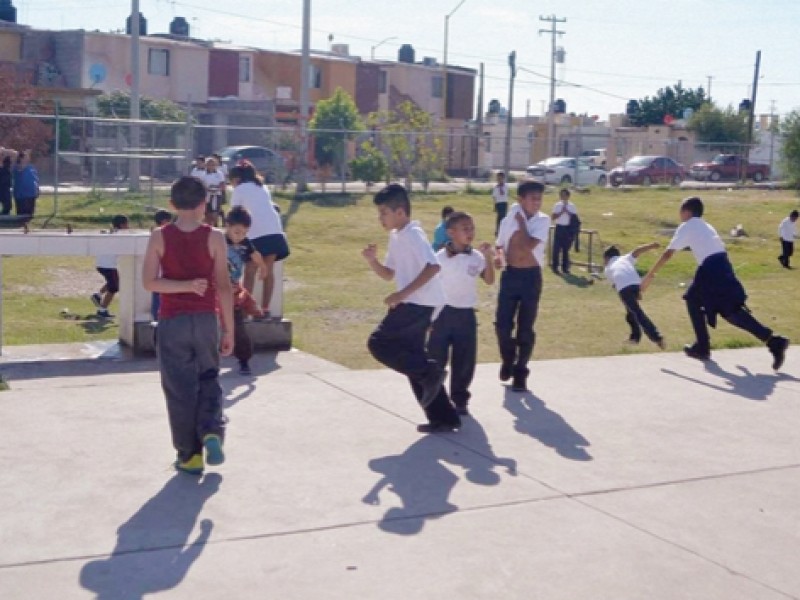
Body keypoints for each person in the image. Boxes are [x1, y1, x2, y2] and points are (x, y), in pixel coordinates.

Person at [142, 176, 234, 475]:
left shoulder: (159, 236)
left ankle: (189, 455)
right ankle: (210, 430)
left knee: (179, 388)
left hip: (172, 322)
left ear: (171, 204)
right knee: (209, 377)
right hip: (206, 320)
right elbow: (223, 287)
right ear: (204, 203)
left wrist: (181, 286)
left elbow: (149, 282)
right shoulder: (215, 237)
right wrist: (229, 328)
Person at [642, 196, 789, 369]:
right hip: (723, 266)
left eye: (681, 210)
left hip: (710, 269)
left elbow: (668, 254)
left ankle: (702, 347)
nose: (679, 214)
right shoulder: (706, 225)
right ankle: (773, 341)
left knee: (692, 299)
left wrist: (649, 277)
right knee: (731, 312)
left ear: (687, 211)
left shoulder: (688, 225)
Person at [362, 183, 461, 434]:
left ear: (400, 212)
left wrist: (401, 295)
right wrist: (373, 261)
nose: (380, 218)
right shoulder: (397, 236)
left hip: (420, 302)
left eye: (384, 212)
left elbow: (433, 267)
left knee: (379, 343)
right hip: (415, 301)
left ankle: (431, 372)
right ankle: (445, 417)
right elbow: (389, 274)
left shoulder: (414, 234)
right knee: (411, 356)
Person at [429, 211, 495, 416]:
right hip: (442, 313)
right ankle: (435, 401)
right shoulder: (438, 258)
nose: (470, 232)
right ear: (451, 232)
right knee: (435, 359)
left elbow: (489, 280)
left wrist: (489, 258)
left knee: (464, 360)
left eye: (472, 228)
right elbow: (429, 287)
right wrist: (427, 318)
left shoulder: (476, 257)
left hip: (465, 314)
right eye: (465, 229)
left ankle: (460, 400)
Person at [494, 180, 551, 392]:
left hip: (530, 276)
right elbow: (500, 244)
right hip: (510, 275)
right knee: (502, 324)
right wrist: (499, 257)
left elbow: (528, 245)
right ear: (520, 199)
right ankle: (508, 358)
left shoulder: (542, 221)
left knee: (525, 327)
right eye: (533, 199)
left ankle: (521, 371)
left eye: (540, 199)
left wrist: (521, 222)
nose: (537, 203)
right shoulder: (508, 220)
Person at [229, 162, 289, 314]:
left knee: (250, 271)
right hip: (274, 230)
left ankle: (244, 307)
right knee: (268, 270)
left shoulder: (239, 189)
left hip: (255, 233)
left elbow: (236, 212)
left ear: (236, 178)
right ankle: (265, 308)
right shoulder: (262, 186)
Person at [224, 206, 268, 376]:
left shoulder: (245, 243)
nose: (240, 236)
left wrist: (263, 267)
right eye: (236, 232)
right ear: (227, 226)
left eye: (244, 233)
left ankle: (244, 360)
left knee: (238, 325)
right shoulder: (218, 240)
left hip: (234, 290)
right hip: (216, 290)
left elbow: (255, 255)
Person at [603, 243, 665, 348]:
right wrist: (652, 246)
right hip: (636, 284)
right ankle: (634, 339)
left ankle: (656, 336)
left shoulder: (608, 268)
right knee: (631, 314)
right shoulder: (625, 258)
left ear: (607, 258)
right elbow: (637, 250)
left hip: (624, 288)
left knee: (637, 313)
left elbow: (616, 285)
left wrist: (625, 299)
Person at [91, 214, 129, 319]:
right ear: (122, 225)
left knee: (114, 282)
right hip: (108, 265)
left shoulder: (111, 233)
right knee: (114, 287)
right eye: (127, 224)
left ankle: (98, 295)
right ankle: (102, 309)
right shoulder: (120, 235)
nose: (128, 227)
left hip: (102, 263)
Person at [150, 209, 173, 322]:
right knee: (158, 301)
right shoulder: (160, 234)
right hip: (161, 274)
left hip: (159, 274)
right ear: (164, 221)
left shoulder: (156, 233)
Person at [550, 188, 578, 275]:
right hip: (559, 227)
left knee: (566, 249)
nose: (562, 197)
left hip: (568, 228)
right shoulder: (557, 205)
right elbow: (553, 217)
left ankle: (565, 268)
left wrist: (567, 212)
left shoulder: (572, 206)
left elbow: (575, 218)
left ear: (568, 196)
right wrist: (561, 212)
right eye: (561, 195)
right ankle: (555, 267)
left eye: (564, 195)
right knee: (556, 248)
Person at [12, 151, 39, 216]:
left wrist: (37, 189)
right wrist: (17, 154)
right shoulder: (17, 167)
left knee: (29, 215)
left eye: (28, 156)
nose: (28, 158)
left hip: (31, 194)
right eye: (25, 156)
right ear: (21, 158)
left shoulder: (31, 167)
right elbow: (20, 166)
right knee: (21, 216)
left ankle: (26, 225)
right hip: (22, 196)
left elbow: (35, 179)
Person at [202, 157, 226, 227]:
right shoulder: (204, 174)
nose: (211, 166)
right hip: (208, 195)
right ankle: (209, 225)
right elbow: (203, 184)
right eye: (209, 164)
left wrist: (217, 188)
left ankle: (216, 225)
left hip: (217, 194)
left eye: (212, 164)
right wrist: (208, 189)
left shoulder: (219, 173)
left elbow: (222, 183)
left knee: (215, 211)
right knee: (208, 212)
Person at [491, 171, 509, 235]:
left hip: (504, 203)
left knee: (504, 217)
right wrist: (494, 205)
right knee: (499, 217)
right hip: (499, 204)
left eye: (501, 178)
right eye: (498, 179)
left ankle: (503, 230)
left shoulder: (506, 186)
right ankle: (497, 230)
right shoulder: (496, 187)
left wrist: (501, 188)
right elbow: (494, 197)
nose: (499, 180)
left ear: (504, 179)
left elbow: (504, 194)